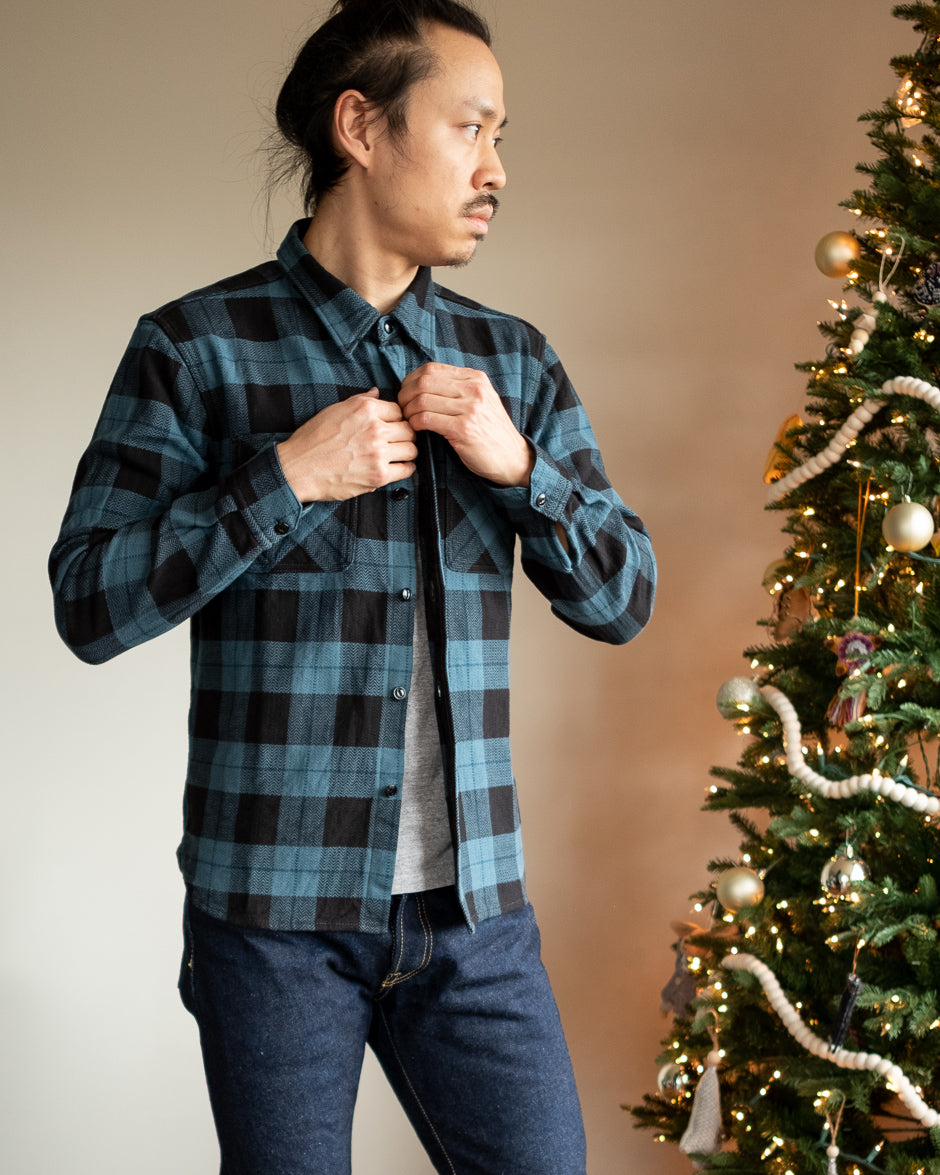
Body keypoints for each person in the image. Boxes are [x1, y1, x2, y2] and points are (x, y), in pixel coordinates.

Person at [49, 1, 656, 1171]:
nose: (497, 169)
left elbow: (624, 598)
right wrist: (282, 479)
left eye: (500, 135)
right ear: (362, 129)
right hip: (270, 924)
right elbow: (88, 601)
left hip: (475, 917)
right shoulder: (194, 348)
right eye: (469, 128)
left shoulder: (514, 363)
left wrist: (520, 468)